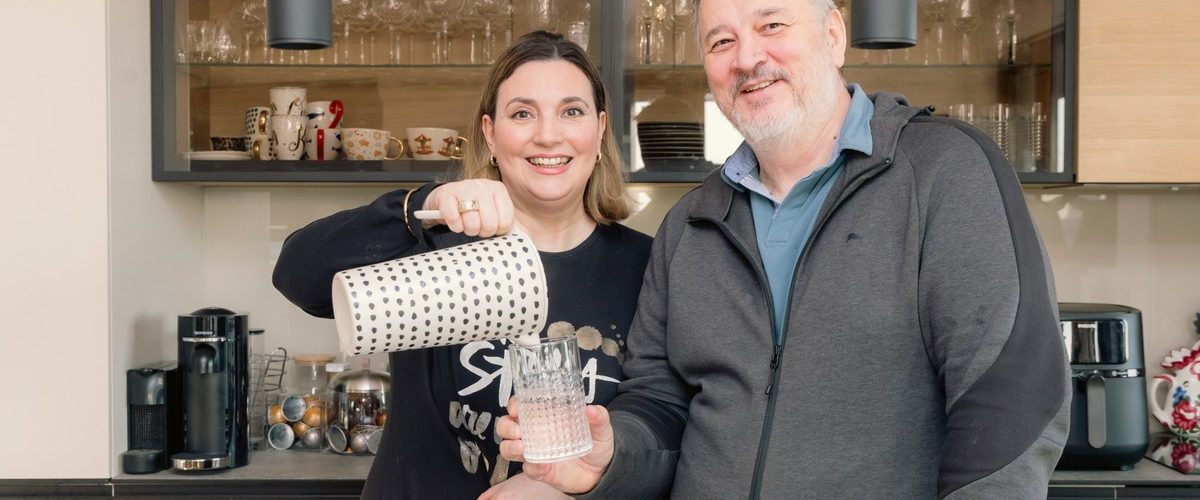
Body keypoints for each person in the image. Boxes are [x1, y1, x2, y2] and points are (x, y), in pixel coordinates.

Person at [495, 1, 1070, 498]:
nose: (747, 58)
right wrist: (611, 456)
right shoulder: (690, 224)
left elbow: (1010, 399)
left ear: (834, 35)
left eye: (771, 25)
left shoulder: (945, 171)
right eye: (721, 42)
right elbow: (660, 405)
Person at [271, 31, 652, 499]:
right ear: (490, 134)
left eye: (571, 111)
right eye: (522, 113)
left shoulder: (647, 267)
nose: (548, 134)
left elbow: (661, 424)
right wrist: (418, 207)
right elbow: (297, 276)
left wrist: (574, 492)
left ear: (599, 130)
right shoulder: (435, 244)